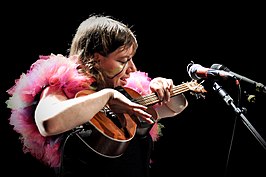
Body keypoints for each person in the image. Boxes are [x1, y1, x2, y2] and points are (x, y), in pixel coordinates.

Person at [6, 14, 188, 177]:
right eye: (123, 60)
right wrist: (106, 96)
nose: (132, 68)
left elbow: (175, 107)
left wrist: (164, 87)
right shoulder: (61, 87)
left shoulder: (128, 93)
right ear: (96, 58)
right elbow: (49, 123)